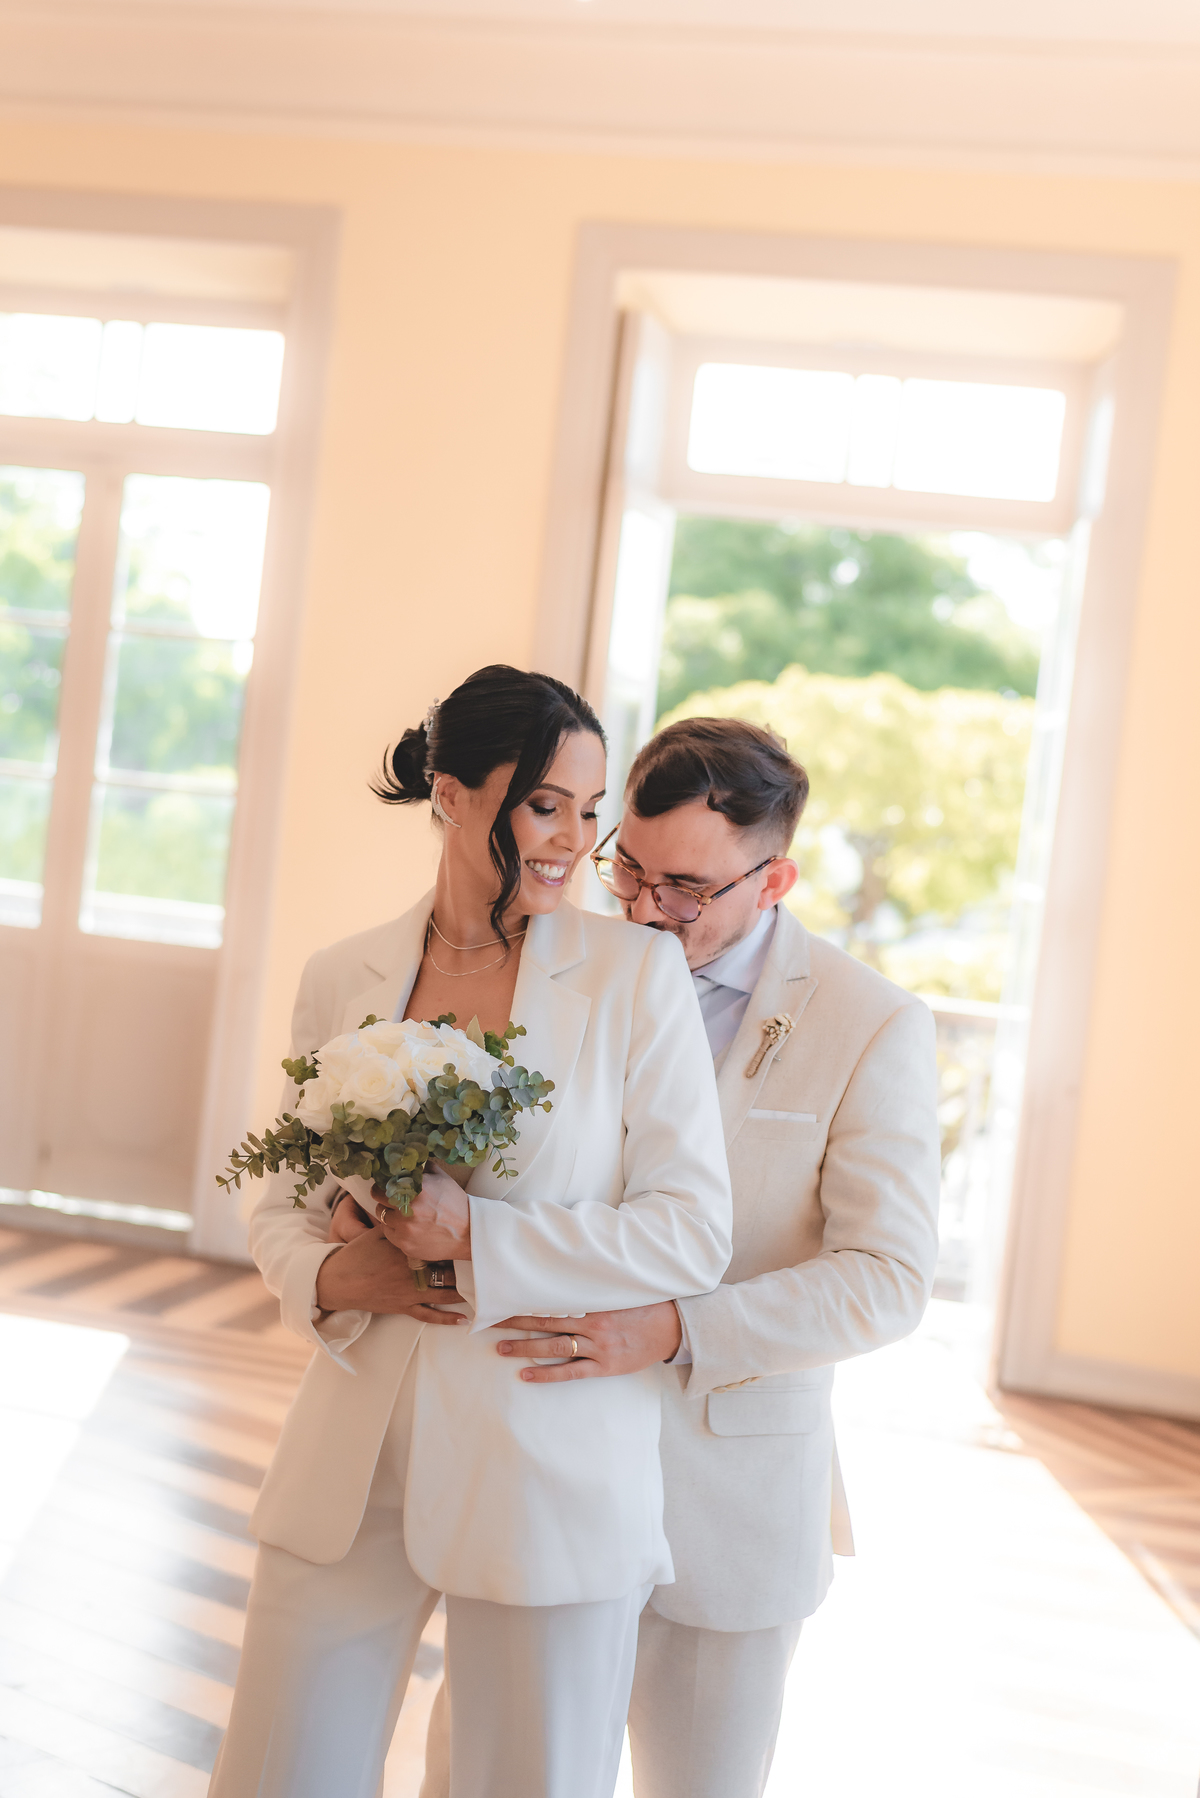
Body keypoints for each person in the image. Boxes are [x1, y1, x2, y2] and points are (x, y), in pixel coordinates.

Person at [208, 668, 733, 1798]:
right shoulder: (341, 974)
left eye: (589, 812)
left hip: (547, 1464)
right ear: (451, 793)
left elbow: (692, 1231)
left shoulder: (637, 978)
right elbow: (279, 1196)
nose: (574, 839)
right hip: (352, 1457)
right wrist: (332, 1273)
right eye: (547, 804)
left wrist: (474, 1241)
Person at [422, 714, 941, 1798]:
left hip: (727, 1502)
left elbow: (889, 1276)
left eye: (690, 889)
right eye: (632, 871)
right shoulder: (550, 963)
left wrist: (674, 1328)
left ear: (778, 876)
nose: (649, 910)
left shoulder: (871, 1023)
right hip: (540, 1472)